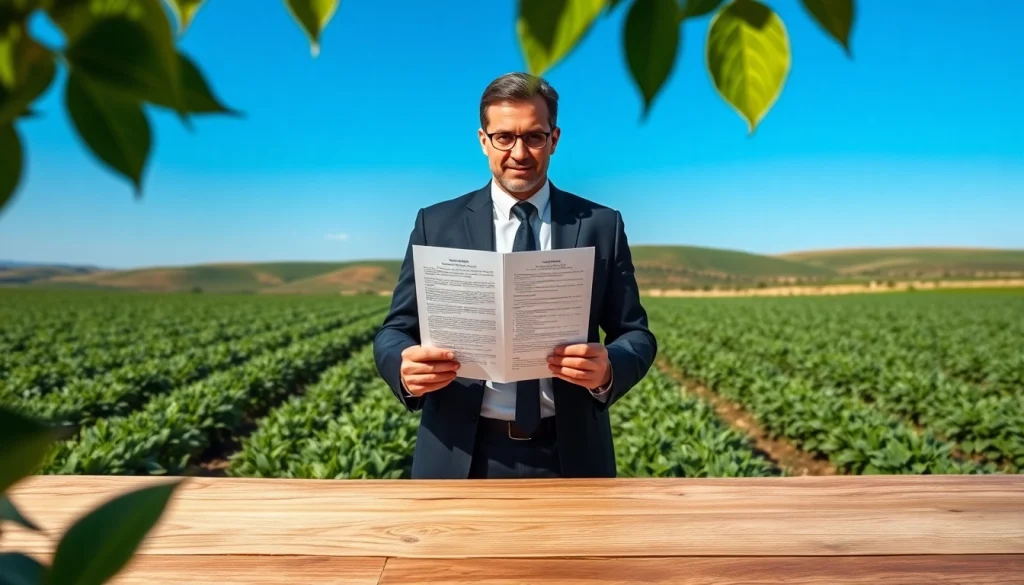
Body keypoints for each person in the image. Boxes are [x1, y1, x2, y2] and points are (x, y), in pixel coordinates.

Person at [373, 72, 657, 479]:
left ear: (554, 139)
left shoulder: (601, 225)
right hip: (458, 453)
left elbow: (636, 334)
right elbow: (395, 329)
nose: (519, 152)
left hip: (572, 455)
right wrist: (402, 366)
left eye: (534, 137)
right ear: (483, 140)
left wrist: (609, 367)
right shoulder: (435, 224)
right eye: (504, 137)